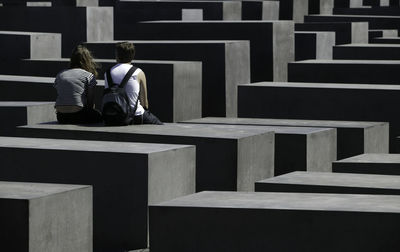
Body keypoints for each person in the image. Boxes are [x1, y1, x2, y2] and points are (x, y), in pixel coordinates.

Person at [104, 41, 163, 125]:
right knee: (159, 125)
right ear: (132, 56)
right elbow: (144, 103)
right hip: (135, 115)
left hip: (112, 114)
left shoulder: (107, 73)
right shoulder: (138, 72)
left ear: (116, 55)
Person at [53, 45, 102, 124]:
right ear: (87, 60)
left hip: (61, 116)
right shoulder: (88, 75)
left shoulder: (60, 74)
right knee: (98, 115)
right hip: (79, 114)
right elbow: (90, 102)